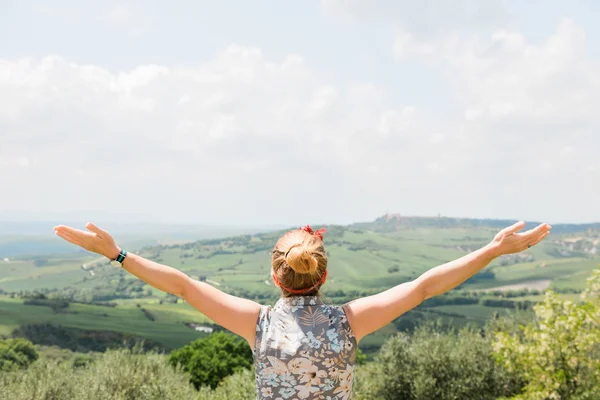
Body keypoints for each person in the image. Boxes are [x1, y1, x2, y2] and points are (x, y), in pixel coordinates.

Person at [53, 220, 551, 399]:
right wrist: (492, 250)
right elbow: (424, 286)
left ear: (276, 277)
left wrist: (116, 255)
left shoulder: (258, 324)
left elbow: (182, 287)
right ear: (324, 276)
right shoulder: (350, 322)